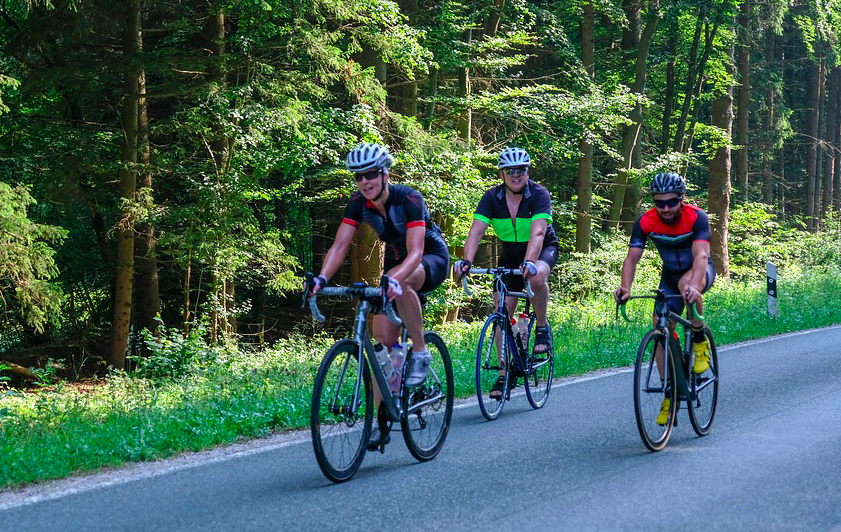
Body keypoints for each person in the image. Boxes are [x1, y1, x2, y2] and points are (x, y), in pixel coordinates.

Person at [307, 142, 450, 448]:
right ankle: (379, 419)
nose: (364, 182)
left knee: (405, 283)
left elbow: (415, 253)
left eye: (371, 174)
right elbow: (340, 245)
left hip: (428, 259)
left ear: (385, 174)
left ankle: (421, 352)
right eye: (358, 176)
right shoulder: (358, 203)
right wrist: (321, 278)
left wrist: (393, 279)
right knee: (383, 344)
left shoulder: (408, 198)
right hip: (395, 266)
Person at [454, 147, 560, 399]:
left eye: (521, 170)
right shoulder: (491, 198)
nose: (516, 175)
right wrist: (466, 260)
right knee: (502, 312)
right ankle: (503, 375)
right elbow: (476, 232)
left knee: (535, 276)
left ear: (527, 171)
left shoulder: (539, 194)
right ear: (501, 173)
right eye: (510, 171)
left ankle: (542, 327)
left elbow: (538, 233)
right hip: (510, 254)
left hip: (542, 249)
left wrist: (530, 261)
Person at [612, 172, 715, 425]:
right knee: (659, 323)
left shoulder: (696, 217)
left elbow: (701, 256)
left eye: (671, 202)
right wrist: (625, 287)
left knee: (686, 287)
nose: (666, 208)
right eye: (660, 203)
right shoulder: (645, 222)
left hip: (700, 269)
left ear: (682, 199)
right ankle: (669, 392)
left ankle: (700, 342)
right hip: (669, 275)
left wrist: (693, 285)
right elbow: (632, 258)